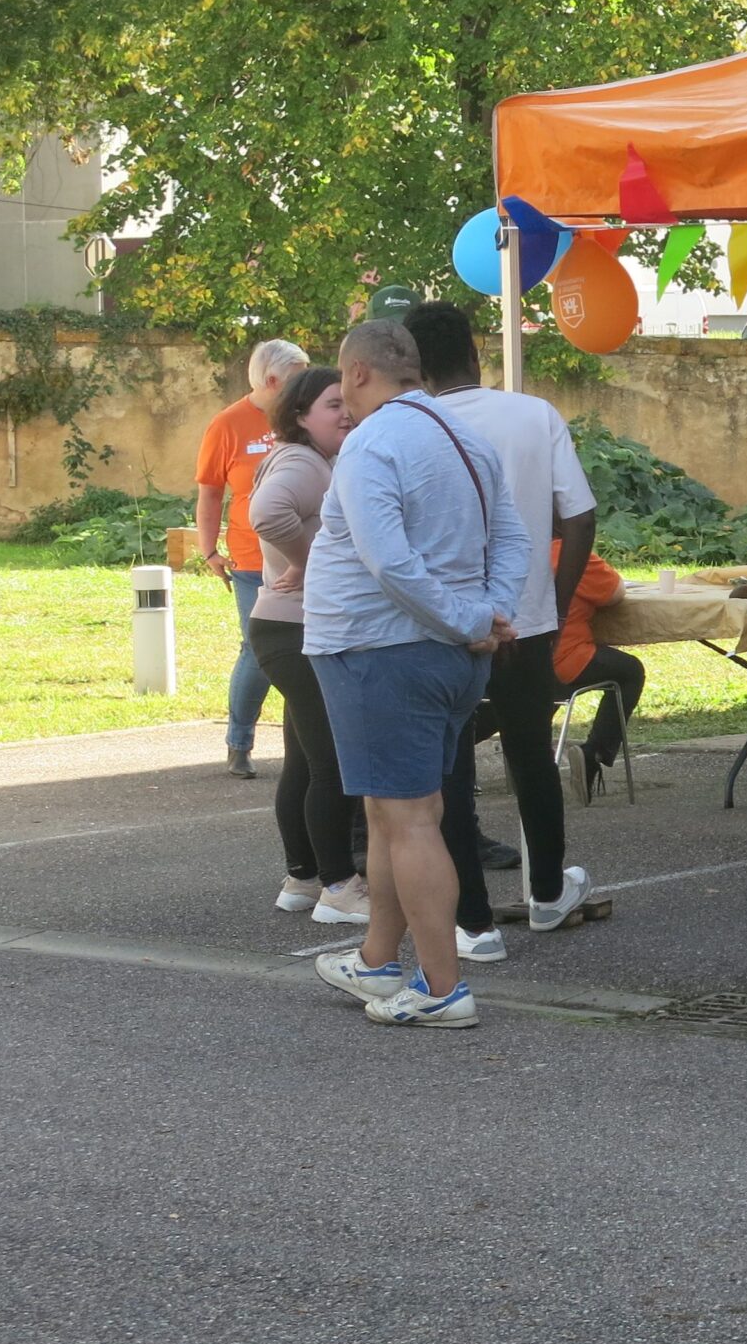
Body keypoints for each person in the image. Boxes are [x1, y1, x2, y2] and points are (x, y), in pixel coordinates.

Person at [304, 320, 527, 1029]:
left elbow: (388, 560)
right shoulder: (463, 433)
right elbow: (515, 536)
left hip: (381, 652)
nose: (342, 398)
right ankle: (376, 959)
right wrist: (488, 612)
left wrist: (471, 620)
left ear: (360, 373)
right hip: (438, 654)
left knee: (409, 819)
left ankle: (442, 986)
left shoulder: (372, 440)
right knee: (391, 811)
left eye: (343, 382)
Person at [402, 302, 598, 959]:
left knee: (452, 766)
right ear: (477, 351)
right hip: (528, 618)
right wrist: (557, 597)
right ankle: (546, 891)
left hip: (441, 622)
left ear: (414, 365)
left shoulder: (408, 425)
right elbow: (579, 516)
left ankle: (475, 922)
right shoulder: (533, 415)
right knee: (529, 754)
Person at [244, 365, 371, 928]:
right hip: (295, 630)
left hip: (285, 628)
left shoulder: (312, 460)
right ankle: (340, 886)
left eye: (347, 402)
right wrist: (311, 562)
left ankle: (301, 877)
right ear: (299, 415)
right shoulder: (301, 461)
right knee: (332, 762)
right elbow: (267, 515)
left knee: (303, 758)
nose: (345, 412)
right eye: (330, 404)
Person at [195, 339, 308, 777]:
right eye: (298, 377)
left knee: (308, 649)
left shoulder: (304, 418)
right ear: (273, 380)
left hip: (307, 552)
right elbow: (209, 491)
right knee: (259, 651)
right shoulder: (228, 425)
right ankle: (239, 743)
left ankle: (306, 745)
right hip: (250, 560)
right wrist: (209, 550)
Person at [549, 535, 643, 799]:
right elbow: (615, 593)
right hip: (564, 658)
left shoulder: (513, 546)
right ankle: (594, 753)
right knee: (630, 671)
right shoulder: (570, 553)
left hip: (516, 661)